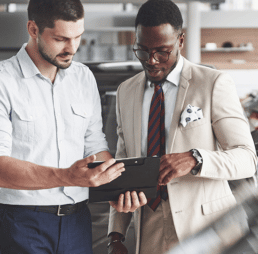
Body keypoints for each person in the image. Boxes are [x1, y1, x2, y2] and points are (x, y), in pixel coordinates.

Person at [107, 1, 257, 254]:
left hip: (208, 231)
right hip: (149, 232)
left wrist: (195, 158)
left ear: (180, 41)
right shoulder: (126, 92)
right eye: (142, 51)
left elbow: (247, 158)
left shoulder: (212, 83)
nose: (152, 61)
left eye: (162, 52)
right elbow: (124, 164)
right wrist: (116, 235)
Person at [0, 0, 146, 253]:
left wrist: (115, 187)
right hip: (19, 222)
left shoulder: (83, 77)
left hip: (77, 221)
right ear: (33, 29)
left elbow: (94, 144)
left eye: (78, 37)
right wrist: (66, 176)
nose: (72, 48)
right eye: (60, 39)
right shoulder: (4, 81)